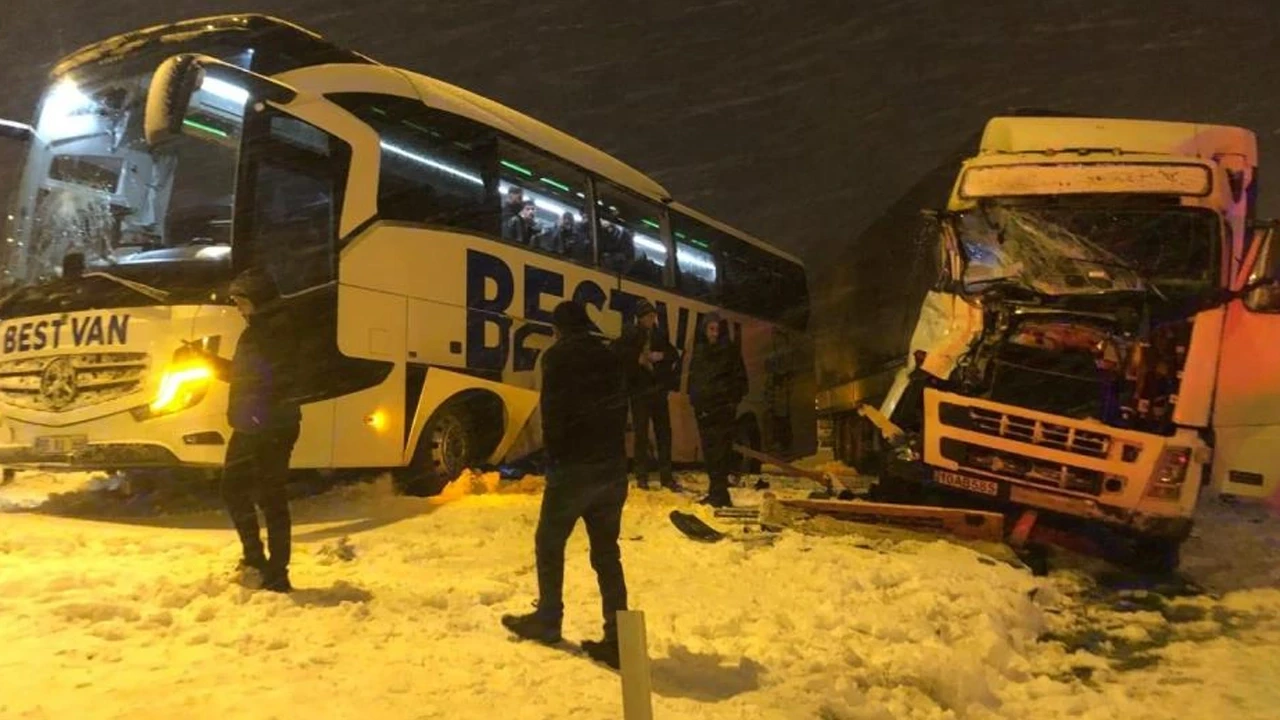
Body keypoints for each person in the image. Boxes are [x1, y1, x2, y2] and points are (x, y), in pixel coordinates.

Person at [502, 300, 631, 669]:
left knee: (549, 542)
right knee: (607, 553)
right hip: (611, 467)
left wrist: (553, 457)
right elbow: (621, 407)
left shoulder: (557, 358)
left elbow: (554, 411)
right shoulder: (609, 357)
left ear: (559, 329)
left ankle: (548, 618)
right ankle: (618, 637)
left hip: (575, 467)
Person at [188, 267, 303, 592]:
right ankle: (260, 562)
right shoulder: (257, 330)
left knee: (266, 496)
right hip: (254, 422)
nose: (238, 306)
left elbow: (274, 379)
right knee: (250, 492)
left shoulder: (276, 330)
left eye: (241, 300)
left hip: (267, 426)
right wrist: (208, 361)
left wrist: (260, 415)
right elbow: (246, 376)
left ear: (258, 299)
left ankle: (274, 571)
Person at [612, 298, 681, 491]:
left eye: (653, 316)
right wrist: (638, 359)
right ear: (640, 318)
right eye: (648, 316)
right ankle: (641, 474)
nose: (652, 319)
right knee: (641, 434)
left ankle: (666, 475)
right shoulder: (631, 335)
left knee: (663, 433)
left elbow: (673, 354)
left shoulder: (659, 335)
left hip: (657, 391)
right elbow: (618, 353)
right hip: (640, 391)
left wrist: (661, 356)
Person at [688, 313, 747, 508]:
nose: (713, 333)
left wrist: (729, 402)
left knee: (721, 452)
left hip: (722, 411)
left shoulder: (729, 351)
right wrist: (696, 402)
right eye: (710, 329)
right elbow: (693, 380)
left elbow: (740, 381)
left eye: (716, 329)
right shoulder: (700, 352)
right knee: (710, 453)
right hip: (704, 411)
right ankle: (715, 491)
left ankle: (720, 493)